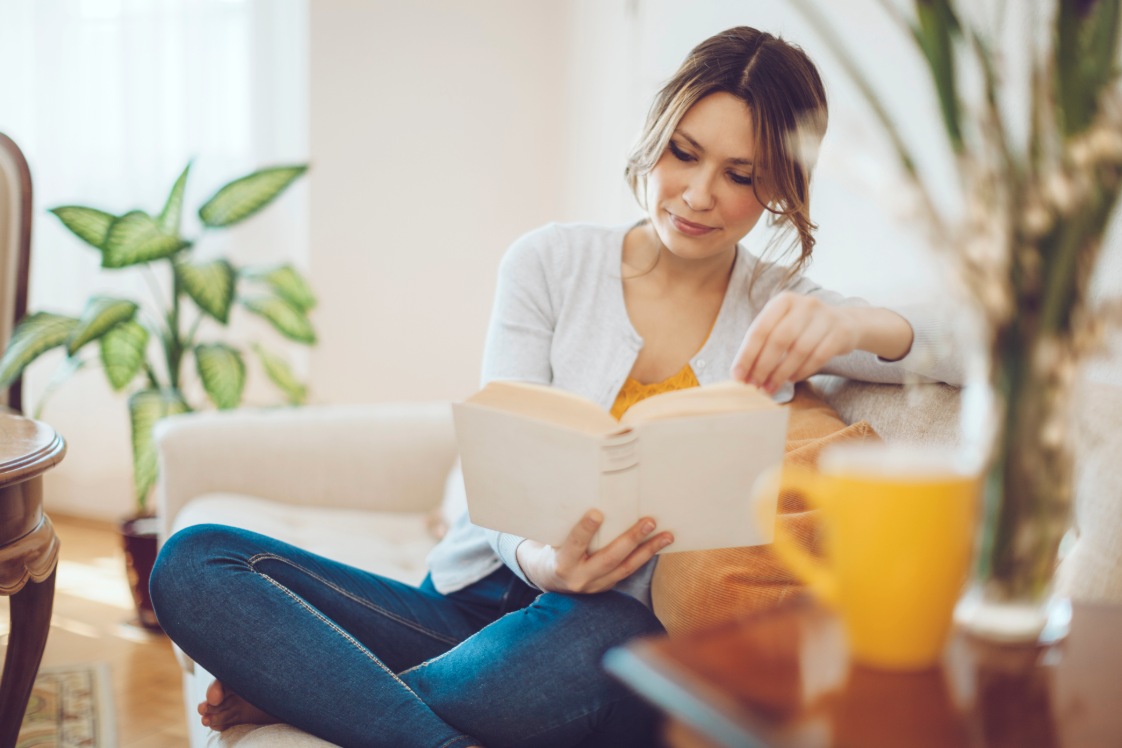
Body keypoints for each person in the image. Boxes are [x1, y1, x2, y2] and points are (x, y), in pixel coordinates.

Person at [150, 26, 961, 748]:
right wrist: (544, 561)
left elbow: (975, 346)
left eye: (741, 174)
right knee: (194, 561)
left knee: (577, 654)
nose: (700, 193)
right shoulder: (549, 263)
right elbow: (499, 458)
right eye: (684, 152)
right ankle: (410, 728)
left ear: (779, 187)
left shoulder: (780, 307)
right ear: (654, 138)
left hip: (603, 626)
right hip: (473, 598)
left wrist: (859, 329)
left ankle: (325, 697)